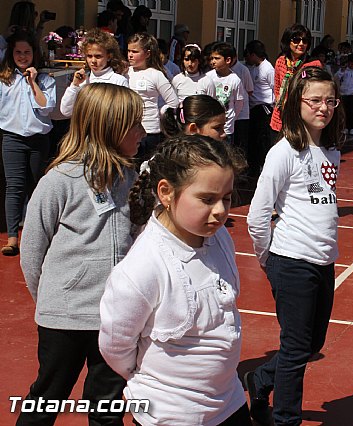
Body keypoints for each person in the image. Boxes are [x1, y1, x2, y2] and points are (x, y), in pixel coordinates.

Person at [99, 134, 250, 426]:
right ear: (167, 192)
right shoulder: (144, 267)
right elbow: (116, 344)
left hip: (228, 403)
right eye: (207, 199)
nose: (220, 211)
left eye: (226, 198)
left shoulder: (219, 238)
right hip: (171, 414)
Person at [17, 83, 145, 425]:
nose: (142, 133)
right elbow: (32, 250)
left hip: (115, 319)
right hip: (66, 319)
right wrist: (51, 299)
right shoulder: (59, 181)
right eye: (135, 125)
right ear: (109, 128)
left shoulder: (130, 177)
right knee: (46, 399)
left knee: (107, 407)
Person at [244, 66, 344, 426]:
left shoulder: (330, 149)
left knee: (309, 345)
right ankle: (286, 419)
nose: (323, 107)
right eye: (314, 100)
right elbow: (258, 215)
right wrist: (267, 258)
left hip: (324, 260)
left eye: (330, 100)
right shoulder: (284, 153)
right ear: (296, 102)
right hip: (291, 260)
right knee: (296, 347)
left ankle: (260, 379)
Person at [0, 31, 55, 256]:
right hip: (12, 138)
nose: (22, 57)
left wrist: (33, 83)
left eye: (27, 52)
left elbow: (46, 107)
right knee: (14, 187)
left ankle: (36, 236)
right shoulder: (5, 79)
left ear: (34, 54)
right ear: (11, 54)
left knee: (36, 187)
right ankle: (12, 237)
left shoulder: (45, 80)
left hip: (38, 140)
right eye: (18, 52)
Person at [127, 32, 179, 161]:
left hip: (149, 130)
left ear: (147, 53)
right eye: (128, 51)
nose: (130, 55)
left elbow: (173, 102)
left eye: (135, 51)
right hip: (128, 129)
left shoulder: (156, 75)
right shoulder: (125, 72)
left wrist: (162, 115)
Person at [60, 28, 128, 118]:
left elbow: (123, 114)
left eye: (98, 56)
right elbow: (66, 111)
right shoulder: (83, 81)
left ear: (109, 56)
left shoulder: (118, 81)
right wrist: (74, 86)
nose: (93, 61)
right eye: (89, 56)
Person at [270, 24, 322, 138]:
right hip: (280, 116)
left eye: (305, 40)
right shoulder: (281, 61)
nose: (301, 44)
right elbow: (277, 88)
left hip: (302, 117)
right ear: (288, 41)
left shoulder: (313, 64)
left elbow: (318, 92)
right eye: (296, 40)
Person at [197, 42, 245, 147]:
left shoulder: (235, 80)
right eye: (211, 58)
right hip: (209, 126)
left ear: (228, 60)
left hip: (226, 129)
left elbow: (239, 103)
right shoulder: (208, 77)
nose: (213, 62)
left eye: (217, 58)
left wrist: (230, 118)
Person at [244, 39, 275, 178]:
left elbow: (275, 88)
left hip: (264, 108)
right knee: (254, 139)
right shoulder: (252, 67)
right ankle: (254, 166)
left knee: (263, 139)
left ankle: (263, 166)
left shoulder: (268, 69)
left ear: (254, 54)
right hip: (253, 108)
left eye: (249, 55)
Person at [161, 94, 226, 142]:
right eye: (217, 128)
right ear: (193, 129)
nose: (224, 134)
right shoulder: (173, 159)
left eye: (223, 127)